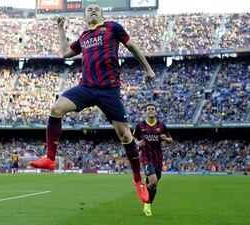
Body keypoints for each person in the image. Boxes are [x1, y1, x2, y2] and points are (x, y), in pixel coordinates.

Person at [30, 3, 155, 203]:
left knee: (125, 135)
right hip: (86, 88)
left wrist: (148, 68)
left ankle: (138, 180)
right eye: (89, 9)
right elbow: (64, 53)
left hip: (108, 90)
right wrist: (60, 29)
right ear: (85, 17)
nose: (93, 10)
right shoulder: (84, 37)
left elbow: (131, 46)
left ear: (103, 13)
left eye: (97, 8)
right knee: (55, 108)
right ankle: (50, 158)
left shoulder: (113, 27)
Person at [133, 103, 173, 216]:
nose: (151, 111)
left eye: (152, 109)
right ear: (146, 112)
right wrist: (137, 142)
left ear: (155, 112)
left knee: (154, 183)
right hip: (146, 157)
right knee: (153, 181)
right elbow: (133, 138)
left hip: (158, 158)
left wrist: (166, 138)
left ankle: (146, 201)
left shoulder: (161, 126)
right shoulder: (140, 125)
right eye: (149, 109)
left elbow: (171, 139)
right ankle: (146, 202)